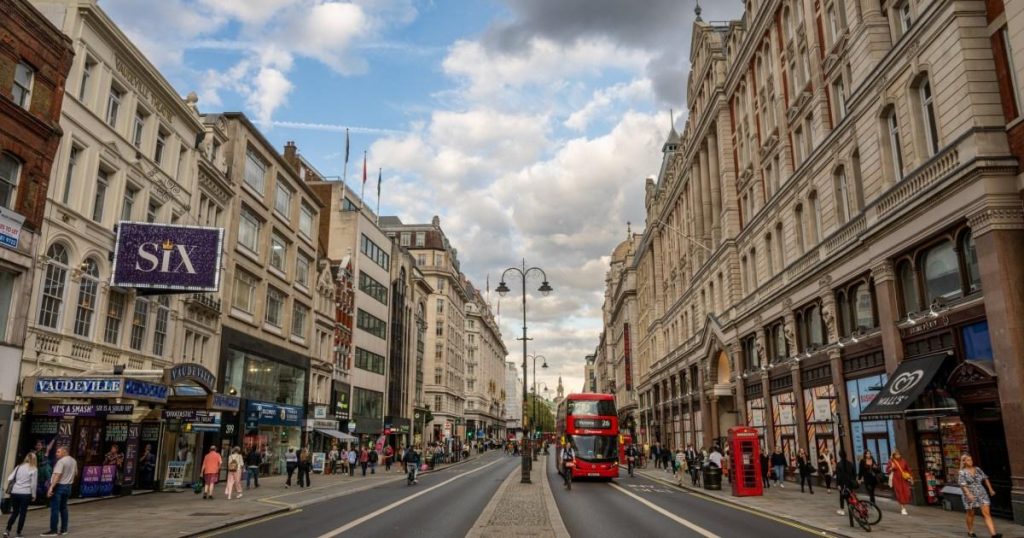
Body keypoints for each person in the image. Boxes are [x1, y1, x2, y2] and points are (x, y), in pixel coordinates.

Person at [959, 454, 1002, 538]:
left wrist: (990, 489)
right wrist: (968, 494)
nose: (971, 461)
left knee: (986, 514)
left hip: (982, 493)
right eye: (968, 460)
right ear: (964, 462)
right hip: (970, 495)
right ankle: (970, 531)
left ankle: (993, 534)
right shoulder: (962, 472)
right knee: (971, 514)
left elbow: (985, 478)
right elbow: (963, 485)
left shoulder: (978, 469)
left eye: (971, 460)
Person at [41, 446, 76, 537]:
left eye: (58, 452)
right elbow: (75, 473)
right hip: (68, 486)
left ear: (65, 452)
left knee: (55, 509)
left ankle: (53, 530)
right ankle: (64, 529)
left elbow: (57, 475)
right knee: (63, 508)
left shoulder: (61, 462)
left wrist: (51, 488)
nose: (56, 453)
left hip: (59, 487)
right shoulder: (73, 461)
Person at [4, 452, 37, 538]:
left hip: (15, 492)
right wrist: (34, 495)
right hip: (25, 493)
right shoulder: (34, 469)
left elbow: (10, 478)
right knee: (23, 513)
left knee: (15, 512)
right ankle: (18, 533)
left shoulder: (19, 467)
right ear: (34, 459)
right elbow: (33, 484)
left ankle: (7, 530)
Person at [886, 449, 913, 515]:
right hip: (896, 479)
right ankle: (903, 508)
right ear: (894, 455)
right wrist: (891, 468)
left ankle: (904, 506)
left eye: (899, 454)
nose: (898, 456)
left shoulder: (903, 461)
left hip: (904, 479)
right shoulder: (891, 461)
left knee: (907, 492)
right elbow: (887, 470)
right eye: (896, 455)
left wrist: (911, 476)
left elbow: (908, 469)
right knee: (899, 492)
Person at [835, 451, 857, 517]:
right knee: (850, 495)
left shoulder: (839, 464)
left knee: (842, 496)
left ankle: (842, 510)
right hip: (850, 482)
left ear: (839, 456)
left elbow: (838, 475)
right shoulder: (850, 463)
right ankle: (852, 508)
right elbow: (854, 474)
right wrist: (853, 480)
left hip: (842, 483)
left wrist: (838, 484)